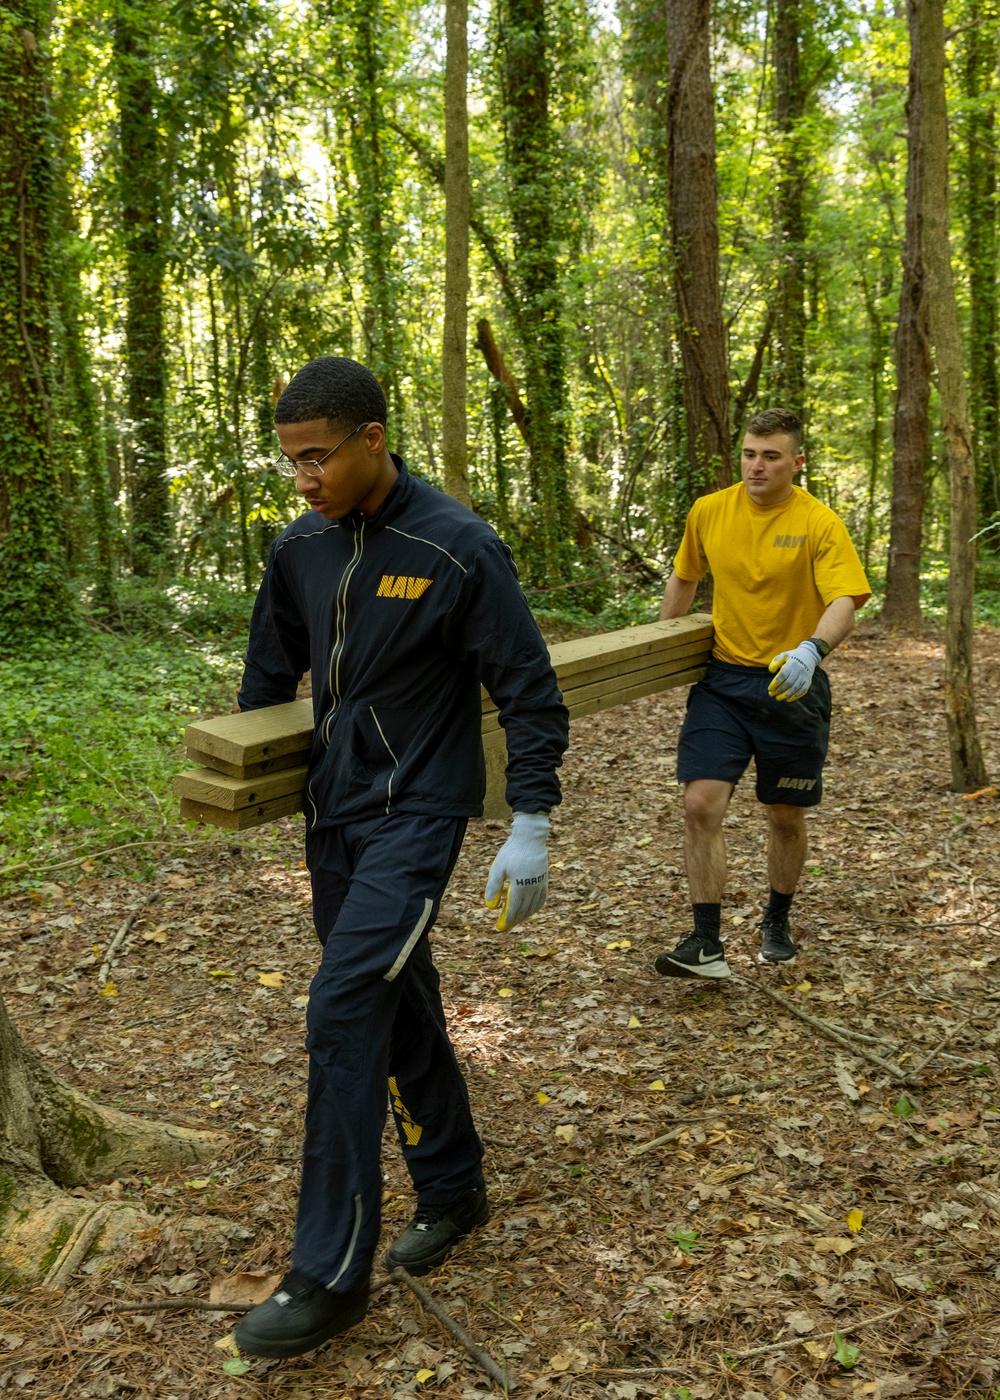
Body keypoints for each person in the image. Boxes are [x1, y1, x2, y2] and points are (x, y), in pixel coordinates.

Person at [233, 357, 568, 1358]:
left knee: (343, 1006)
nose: (303, 477)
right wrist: (251, 776)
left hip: (416, 815)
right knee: (396, 994)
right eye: (290, 459)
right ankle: (454, 1187)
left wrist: (531, 821)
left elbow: (529, 689)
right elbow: (267, 675)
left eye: (317, 457)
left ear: (372, 438)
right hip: (332, 817)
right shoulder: (299, 545)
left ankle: (328, 1273)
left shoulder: (456, 546)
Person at [654, 407, 871, 979]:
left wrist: (812, 651)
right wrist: (658, 652)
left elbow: (845, 599)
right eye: (750, 453)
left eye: (771, 456)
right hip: (723, 682)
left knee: (785, 815)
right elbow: (685, 575)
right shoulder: (709, 510)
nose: (757, 466)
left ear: (797, 462)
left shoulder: (819, 522)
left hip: (792, 683)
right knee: (700, 804)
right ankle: (706, 942)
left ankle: (776, 919)